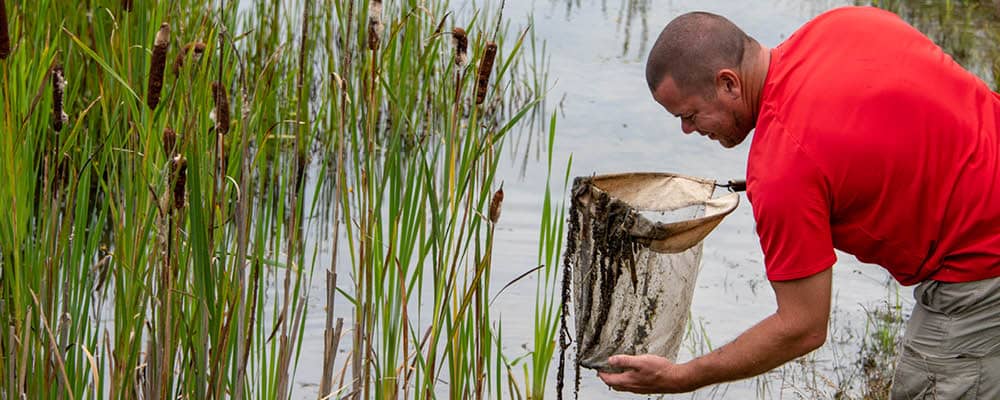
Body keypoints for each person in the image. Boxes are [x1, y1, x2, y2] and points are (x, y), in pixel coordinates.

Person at [598, 6, 1000, 398]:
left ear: (728, 84)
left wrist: (680, 377)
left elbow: (803, 327)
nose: (687, 130)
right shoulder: (842, 24)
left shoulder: (781, 171)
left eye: (689, 114)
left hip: (981, 265)